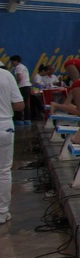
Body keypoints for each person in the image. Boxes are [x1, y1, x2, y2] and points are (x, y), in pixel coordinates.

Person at [1, 67, 25, 224]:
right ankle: (2, 212)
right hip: (4, 126)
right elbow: (19, 105)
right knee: (3, 171)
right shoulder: (6, 75)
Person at [8, 56, 31, 125]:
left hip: (22, 87)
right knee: (26, 103)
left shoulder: (18, 67)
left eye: (12, 62)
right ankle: (27, 119)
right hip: (27, 86)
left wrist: (15, 85)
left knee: (18, 102)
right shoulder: (24, 67)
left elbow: (19, 77)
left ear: (16, 61)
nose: (12, 63)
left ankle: (19, 119)